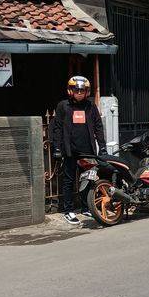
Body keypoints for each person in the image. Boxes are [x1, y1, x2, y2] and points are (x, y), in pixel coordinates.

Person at [52, 76, 107, 225]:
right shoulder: (63, 106)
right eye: (77, 90)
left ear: (87, 92)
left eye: (82, 90)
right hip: (70, 150)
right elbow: (56, 128)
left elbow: (98, 126)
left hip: (87, 150)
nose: (80, 93)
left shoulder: (90, 106)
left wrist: (102, 146)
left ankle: (86, 207)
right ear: (70, 90)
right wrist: (56, 147)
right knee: (69, 180)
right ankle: (68, 210)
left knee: (87, 179)